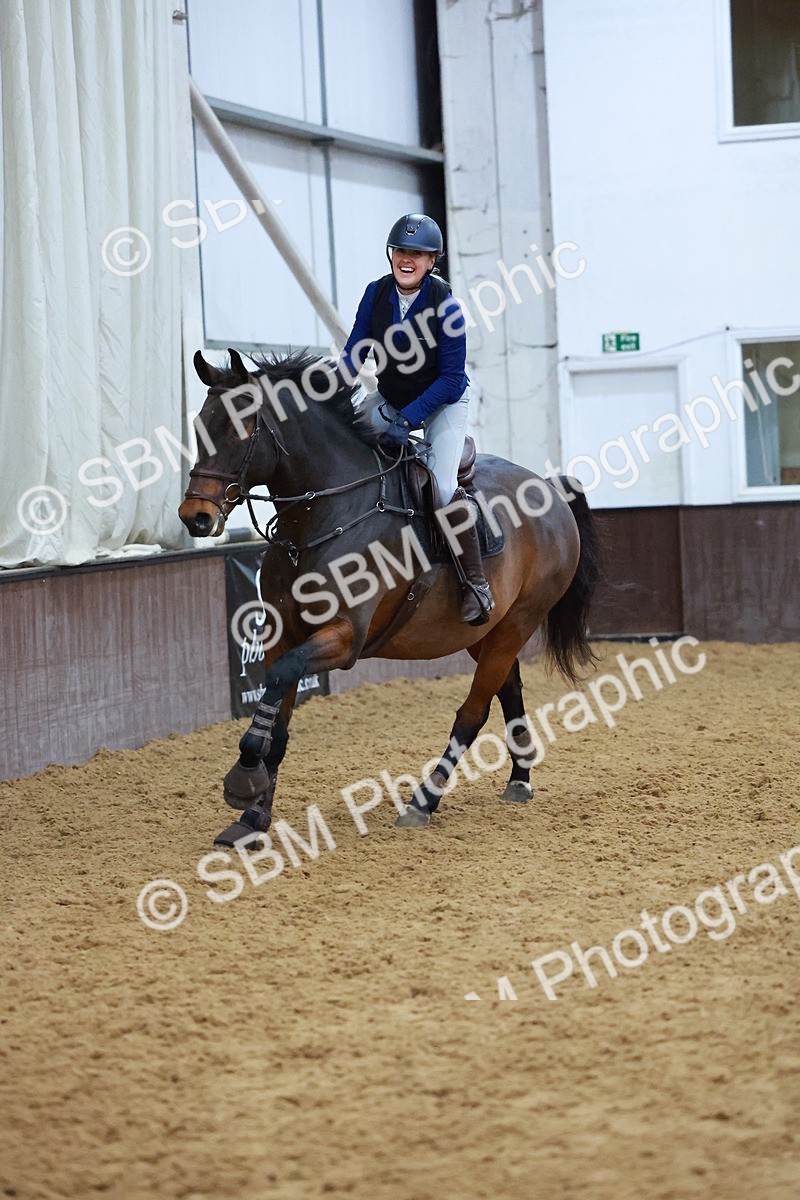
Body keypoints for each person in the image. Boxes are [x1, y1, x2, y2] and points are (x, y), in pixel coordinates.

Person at [339, 213, 495, 625]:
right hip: (391, 397)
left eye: (418, 254)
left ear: (431, 261)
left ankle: (475, 583)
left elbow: (450, 379)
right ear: (393, 255)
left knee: (442, 488)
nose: (408, 259)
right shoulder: (375, 295)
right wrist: (331, 395)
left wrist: (407, 420)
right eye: (402, 251)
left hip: (443, 403)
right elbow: (356, 351)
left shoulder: (448, 306)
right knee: (343, 447)